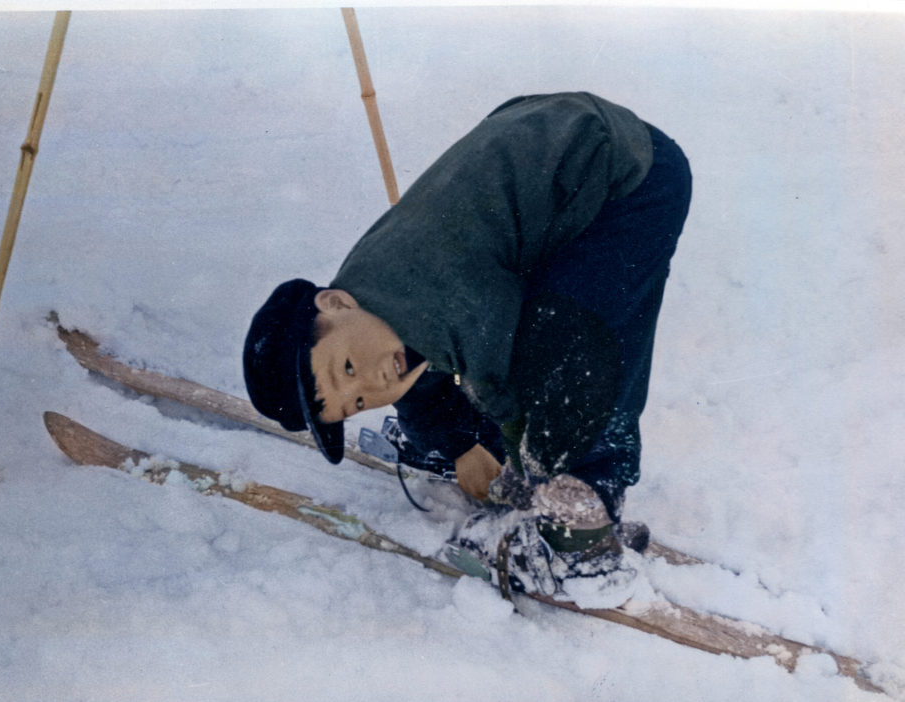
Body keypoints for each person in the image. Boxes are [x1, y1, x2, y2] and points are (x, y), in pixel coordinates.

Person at [242, 92, 692, 603]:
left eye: (346, 368)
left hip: (624, 175)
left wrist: (536, 477)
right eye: (359, 403)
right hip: (556, 165)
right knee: (518, 369)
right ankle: (556, 482)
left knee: (573, 355)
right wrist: (460, 447)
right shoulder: (374, 307)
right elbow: (415, 383)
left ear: (334, 302)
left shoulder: (442, 291)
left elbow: (511, 378)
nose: (373, 383)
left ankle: (582, 536)